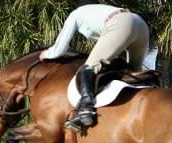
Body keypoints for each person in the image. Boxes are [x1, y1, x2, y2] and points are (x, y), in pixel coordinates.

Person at [39, 0, 149, 132]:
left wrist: (47, 54)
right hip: (141, 25)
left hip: (121, 23)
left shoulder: (77, 13)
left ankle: (86, 109)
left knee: (88, 68)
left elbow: (60, 49)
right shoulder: (102, 10)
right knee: (134, 74)